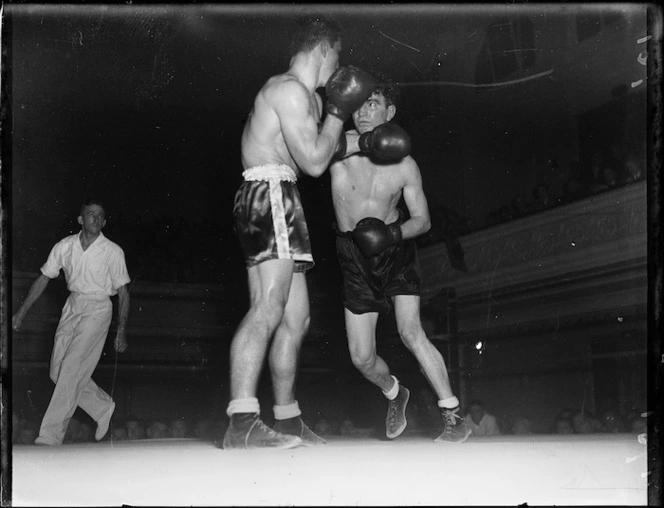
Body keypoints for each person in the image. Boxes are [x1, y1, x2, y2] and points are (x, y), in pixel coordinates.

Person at [222, 17, 379, 450]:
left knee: (296, 317)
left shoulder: (307, 99)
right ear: (324, 49)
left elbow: (321, 150)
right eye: (338, 56)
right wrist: (337, 113)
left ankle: (287, 420)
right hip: (268, 190)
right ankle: (241, 421)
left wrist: (365, 140)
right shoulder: (288, 89)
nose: (339, 66)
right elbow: (312, 161)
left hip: (282, 196)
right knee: (268, 306)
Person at [328, 73, 471, 444]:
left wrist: (392, 233)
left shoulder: (406, 164)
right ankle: (395, 392)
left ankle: (453, 415)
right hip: (353, 254)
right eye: (356, 105)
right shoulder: (337, 146)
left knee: (411, 331)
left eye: (371, 104)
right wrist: (367, 141)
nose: (361, 112)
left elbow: (423, 220)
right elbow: (321, 150)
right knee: (362, 358)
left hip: (396, 249)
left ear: (390, 111)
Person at [12, 198, 131, 446]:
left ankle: (50, 435)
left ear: (105, 221)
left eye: (100, 216)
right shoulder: (64, 246)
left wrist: (121, 330)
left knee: (71, 369)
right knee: (58, 371)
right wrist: (21, 312)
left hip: (98, 308)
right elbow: (44, 279)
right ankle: (101, 407)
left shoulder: (112, 251)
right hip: (73, 306)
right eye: (91, 214)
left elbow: (123, 293)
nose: (96, 219)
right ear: (80, 219)